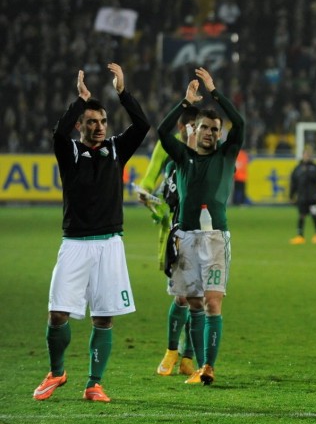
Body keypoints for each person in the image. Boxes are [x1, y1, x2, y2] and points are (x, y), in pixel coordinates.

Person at [34, 64, 150, 402]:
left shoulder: (116, 149)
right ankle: (57, 372)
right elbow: (58, 133)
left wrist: (123, 92)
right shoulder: (68, 152)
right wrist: (79, 100)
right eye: (91, 122)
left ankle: (94, 383)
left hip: (110, 244)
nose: (99, 127)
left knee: (103, 317)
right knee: (57, 314)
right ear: (80, 126)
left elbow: (142, 124)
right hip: (74, 243)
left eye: (102, 122)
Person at [157, 66, 245, 386]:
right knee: (191, 302)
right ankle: (187, 360)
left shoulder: (226, 156)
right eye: (204, 127)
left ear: (220, 133)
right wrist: (185, 102)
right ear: (196, 128)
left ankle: (207, 366)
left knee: (212, 301)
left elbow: (242, 124)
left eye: (214, 128)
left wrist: (215, 91)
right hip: (185, 237)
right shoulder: (182, 156)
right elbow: (162, 132)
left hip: (215, 238)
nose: (209, 132)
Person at [139, 105, 200, 377]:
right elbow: (149, 182)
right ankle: (172, 350)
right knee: (182, 296)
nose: (199, 132)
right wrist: (147, 196)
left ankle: (189, 357)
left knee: (198, 297)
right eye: (194, 127)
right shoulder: (167, 148)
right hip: (176, 231)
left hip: (206, 233)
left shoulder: (210, 152)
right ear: (182, 127)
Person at [289, 146, 316, 244]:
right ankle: (300, 236)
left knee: (315, 215)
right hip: (302, 197)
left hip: (313, 197)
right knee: (301, 216)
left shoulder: (314, 167)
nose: (306, 157)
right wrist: (291, 195)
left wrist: (307, 171)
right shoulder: (297, 168)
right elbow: (294, 182)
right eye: (305, 155)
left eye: (308, 155)